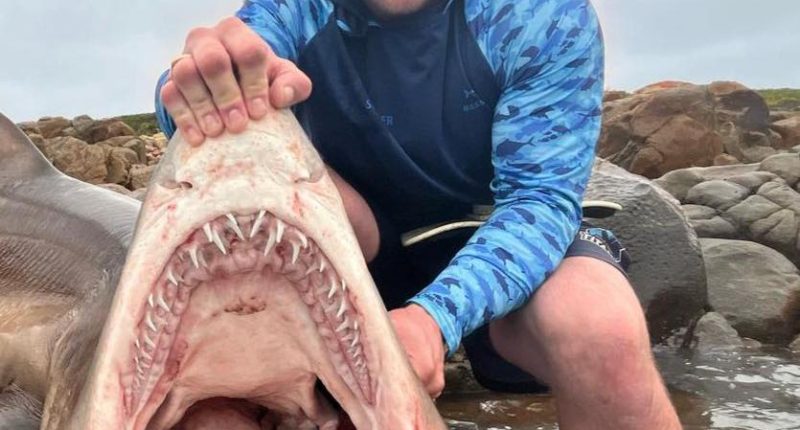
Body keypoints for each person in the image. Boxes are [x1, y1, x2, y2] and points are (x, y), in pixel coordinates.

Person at [154, 0, 681, 428]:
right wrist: (199, 86)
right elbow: (198, 103)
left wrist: (434, 321)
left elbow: (539, 200)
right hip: (353, 253)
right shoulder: (296, 8)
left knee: (598, 327)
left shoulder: (540, 12)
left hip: (491, 240)